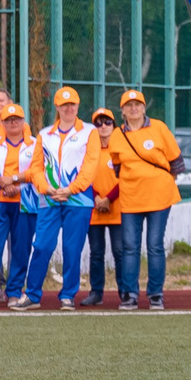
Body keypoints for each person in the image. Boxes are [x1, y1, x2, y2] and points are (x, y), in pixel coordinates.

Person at [23, 88, 100, 310]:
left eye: (72, 104)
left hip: (79, 200)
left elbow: (90, 166)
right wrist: (45, 188)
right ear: (56, 107)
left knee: (71, 248)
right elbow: (36, 167)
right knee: (42, 246)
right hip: (49, 199)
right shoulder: (45, 134)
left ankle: (68, 295)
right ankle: (32, 295)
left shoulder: (89, 132)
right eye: (64, 105)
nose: (69, 108)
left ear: (78, 105)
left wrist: (71, 189)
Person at [108, 90, 180, 309]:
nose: (133, 109)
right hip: (131, 198)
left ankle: (156, 294)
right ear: (122, 111)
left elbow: (176, 162)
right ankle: (130, 294)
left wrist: (161, 181)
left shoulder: (159, 128)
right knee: (130, 247)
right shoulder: (117, 135)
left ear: (144, 107)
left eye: (137, 104)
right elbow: (117, 166)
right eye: (128, 105)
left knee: (155, 245)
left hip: (159, 197)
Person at [0, 104, 36, 307]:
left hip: (25, 202)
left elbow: (38, 170)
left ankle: (14, 292)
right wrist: (1, 182)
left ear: (23, 121)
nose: (13, 123)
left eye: (16, 119)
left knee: (20, 249)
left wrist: (15, 183)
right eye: (9, 120)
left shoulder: (35, 145)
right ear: (2, 122)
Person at [83, 109, 121, 305]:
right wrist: (97, 197)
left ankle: (125, 292)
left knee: (120, 252)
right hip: (94, 208)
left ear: (114, 125)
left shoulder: (121, 148)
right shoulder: (88, 151)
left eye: (107, 122)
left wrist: (109, 199)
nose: (103, 126)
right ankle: (96, 292)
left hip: (117, 208)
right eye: (98, 123)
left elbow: (127, 177)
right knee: (96, 253)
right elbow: (83, 177)